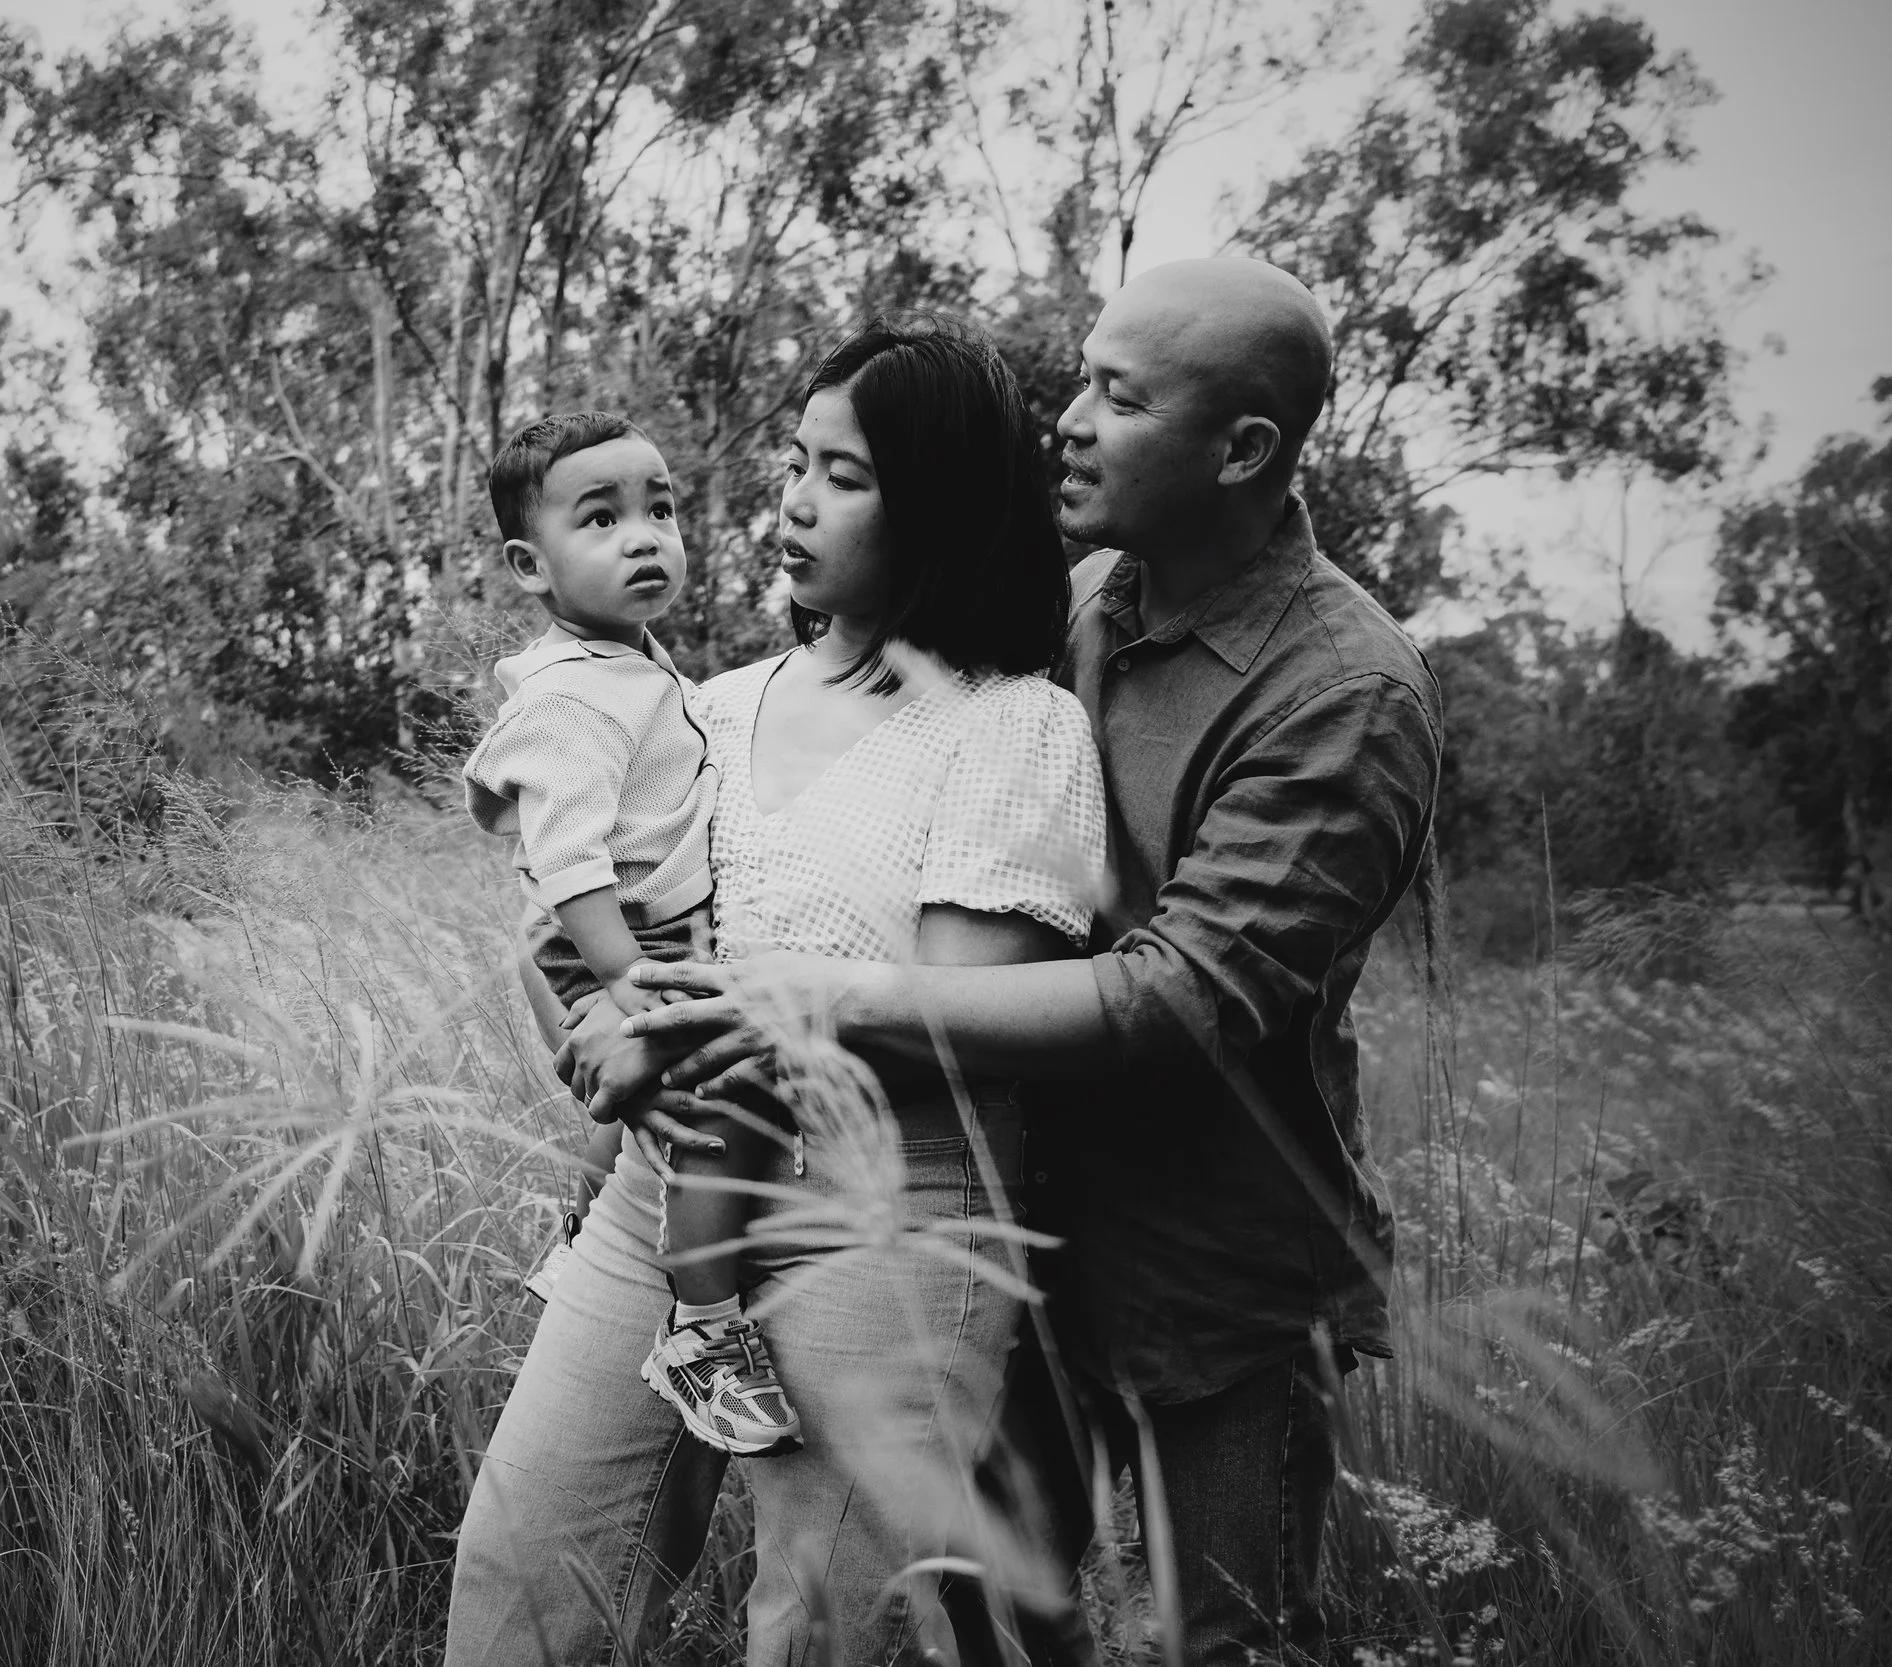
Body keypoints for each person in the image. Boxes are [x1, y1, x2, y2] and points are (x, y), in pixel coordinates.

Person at [608, 259, 1446, 1665]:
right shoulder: (1082, 599)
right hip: (1005, 1225)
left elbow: (1181, 994)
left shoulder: (1343, 692)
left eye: (1118, 398)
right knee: (985, 1614)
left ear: (1243, 451)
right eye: (1080, 378)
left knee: (1226, 1638)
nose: (1068, 419)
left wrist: (824, 998)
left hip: (1209, 1273)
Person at [444, 314, 1106, 1666]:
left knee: (811, 1630)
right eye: (794, 461)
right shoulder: (710, 704)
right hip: (665, 1188)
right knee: (523, 1573)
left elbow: (958, 1016)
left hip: (886, 1217)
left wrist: (682, 1030)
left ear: (941, 502)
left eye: (844, 473)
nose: (793, 501)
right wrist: (597, 1032)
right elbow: (573, 915)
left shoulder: (1013, 725)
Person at [463, 410, 801, 1457]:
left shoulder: (632, 665)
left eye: (659, 507)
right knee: (719, 1098)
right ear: (531, 563)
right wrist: (628, 978)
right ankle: (703, 1326)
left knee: (643, 1112)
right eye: (600, 518)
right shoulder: (573, 696)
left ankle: (578, 1240)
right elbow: (564, 859)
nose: (644, 535)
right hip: (615, 935)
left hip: (641, 929)